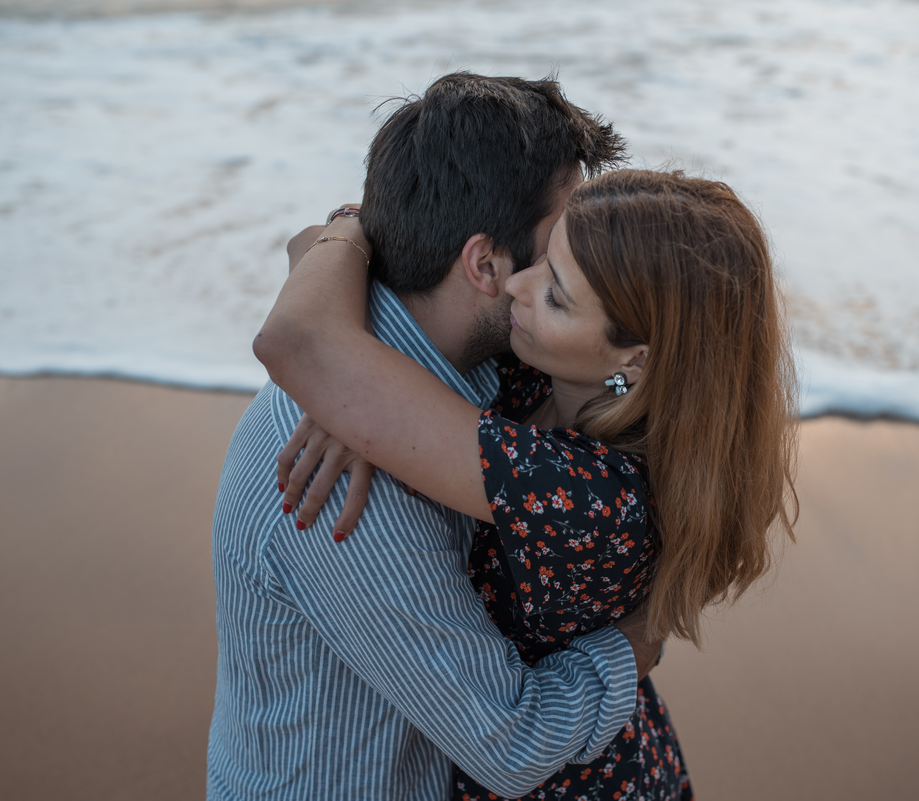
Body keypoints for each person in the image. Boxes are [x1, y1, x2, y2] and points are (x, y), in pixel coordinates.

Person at [256, 169, 800, 799]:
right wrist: (361, 382)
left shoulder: (595, 496)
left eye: (557, 296)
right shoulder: (550, 377)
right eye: (546, 256)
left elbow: (296, 338)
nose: (516, 284)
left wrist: (357, 399)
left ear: (637, 360)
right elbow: (307, 246)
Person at [208, 73, 663, 801]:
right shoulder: (348, 489)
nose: (584, 261)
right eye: (557, 249)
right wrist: (637, 642)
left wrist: (343, 237)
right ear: (485, 265)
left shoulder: (445, 378)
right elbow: (511, 743)